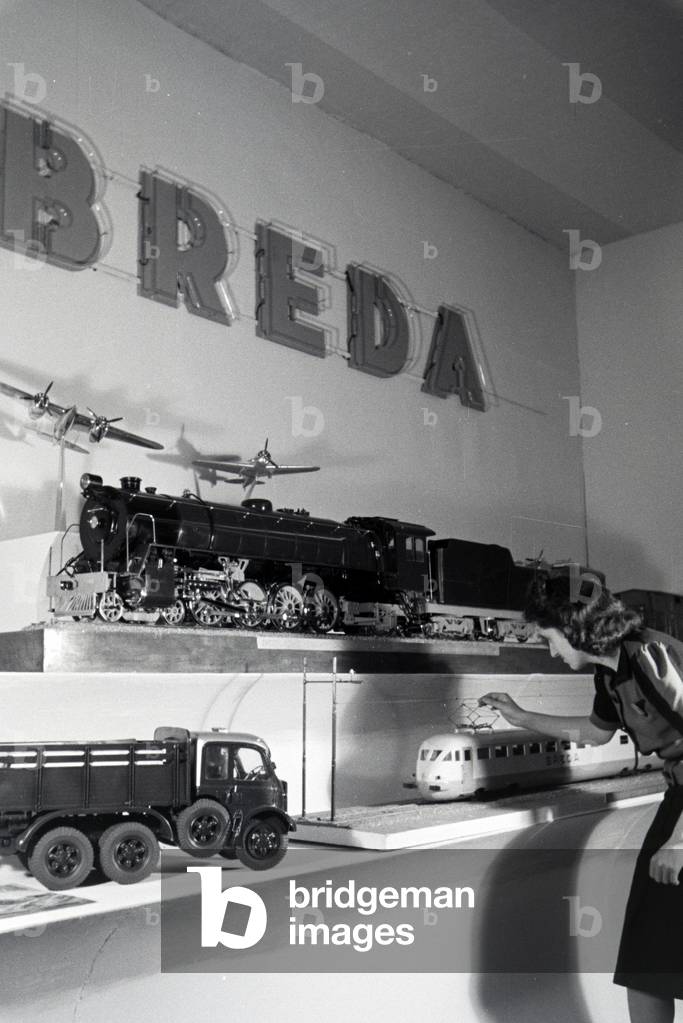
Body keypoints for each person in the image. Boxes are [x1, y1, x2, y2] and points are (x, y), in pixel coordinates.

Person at [480, 573, 683, 1023]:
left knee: (654, 953)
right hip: (679, 798)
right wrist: (520, 716)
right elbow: (593, 733)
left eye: (549, 638)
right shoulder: (610, 672)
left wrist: (680, 841)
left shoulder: (649, 657)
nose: (550, 651)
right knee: (646, 958)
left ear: (573, 627)